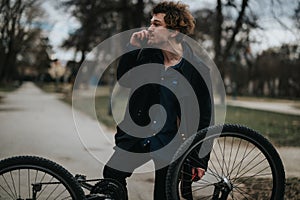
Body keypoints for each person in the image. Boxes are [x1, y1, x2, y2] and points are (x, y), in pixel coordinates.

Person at [103, 1, 214, 199]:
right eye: (150, 23)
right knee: (112, 175)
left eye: (156, 24)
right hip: (139, 135)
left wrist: (200, 160)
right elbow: (125, 79)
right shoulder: (147, 54)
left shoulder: (197, 71)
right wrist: (132, 48)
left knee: (164, 195)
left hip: (172, 143)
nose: (149, 28)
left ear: (174, 31)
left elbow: (206, 118)